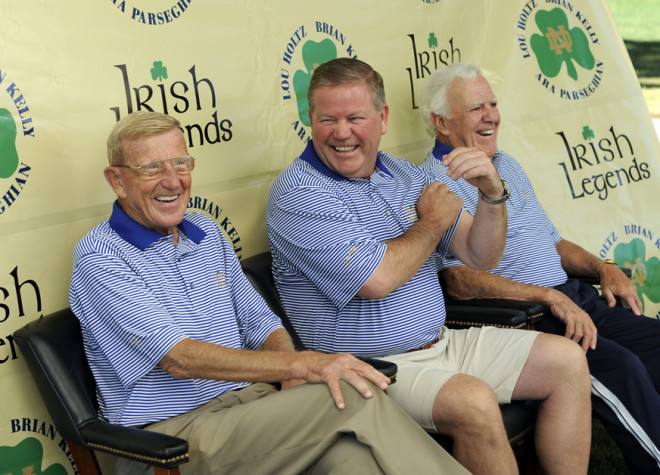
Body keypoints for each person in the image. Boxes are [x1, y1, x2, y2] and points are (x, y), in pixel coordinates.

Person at [68, 110, 471, 474]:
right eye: (151, 168)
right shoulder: (99, 255)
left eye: (180, 163)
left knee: (355, 461)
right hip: (172, 441)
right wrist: (300, 366)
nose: (172, 181)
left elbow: (260, 322)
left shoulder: (205, 230)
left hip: (253, 408)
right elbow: (179, 358)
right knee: (351, 394)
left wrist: (288, 370)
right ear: (117, 180)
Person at [267, 57, 592, 475]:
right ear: (310, 118)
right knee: (473, 402)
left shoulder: (402, 174)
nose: (341, 132)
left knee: (566, 361)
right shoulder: (297, 191)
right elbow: (378, 278)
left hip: (441, 343)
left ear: (382, 118)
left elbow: (481, 255)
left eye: (356, 117)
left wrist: (492, 195)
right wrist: (432, 221)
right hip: (369, 368)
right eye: (327, 118)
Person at [420, 62, 660, 475]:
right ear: (441, 123)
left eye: (493, 103)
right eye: (477, 107)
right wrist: (547, 298)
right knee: (622, 368)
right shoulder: (435, 185)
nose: (491, 114)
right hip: (527, 318)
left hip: (574, 296)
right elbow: (457, 280)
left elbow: (553, 242)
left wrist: (603, 267)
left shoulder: (506, 165)